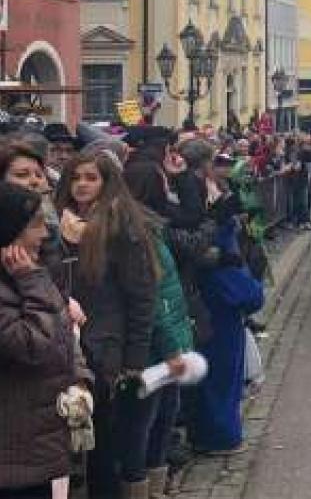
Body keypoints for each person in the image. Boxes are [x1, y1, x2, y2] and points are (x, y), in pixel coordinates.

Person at [55, 151, 160, 499]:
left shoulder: (121, 227)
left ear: (106, 183)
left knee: (101, 446)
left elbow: (141, 297)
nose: (82, 184)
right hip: (63, 345)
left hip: (104, 349)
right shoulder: (55, 225)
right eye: (76, 177)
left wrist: (134, 359)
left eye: (91, 177)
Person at [0, 182, 92, 499]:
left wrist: (80, 380)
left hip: (39, 447)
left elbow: (63, 330)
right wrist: (33, 283)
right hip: (14, 457)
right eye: (35, 225)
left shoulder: (31, 274)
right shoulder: (28, 279)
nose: (44, 234)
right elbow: (32, 346)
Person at [121, 161, 195, 499]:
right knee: (145, 422)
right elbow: (150, 295)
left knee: (163, 416)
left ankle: (155, 482)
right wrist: (171, 347)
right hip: (155, 346)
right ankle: (140, 487)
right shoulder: (138, 233)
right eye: (163, 183)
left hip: (167, 337)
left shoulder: (152, 228)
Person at [192, 214, 263, 455]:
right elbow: (251, 296)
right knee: (221, 383)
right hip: (221, 326)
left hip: (202, 320)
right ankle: (222, 437)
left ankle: (205, 435)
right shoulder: (220, 257)